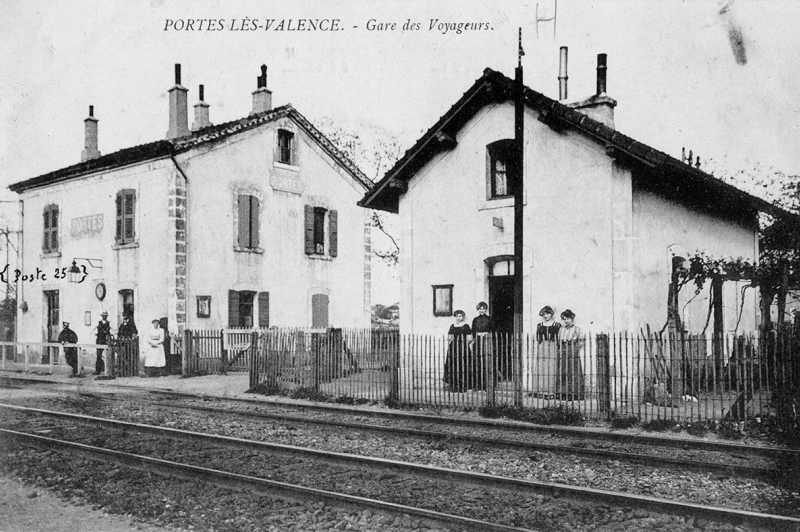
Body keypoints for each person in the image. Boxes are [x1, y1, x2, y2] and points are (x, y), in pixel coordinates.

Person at [557, 309, 586, 400]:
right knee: (563, 371)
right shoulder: (561, 329)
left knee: (573, 371)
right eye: (564, 319)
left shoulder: (576, 329)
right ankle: (563, 393)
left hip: (573, 349)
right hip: (563, 350)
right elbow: (558, 340)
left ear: (572, 319)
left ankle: (575, 394)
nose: (566, 321)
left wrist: (575, 349)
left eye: (568, 319)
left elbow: (581, 340)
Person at [535, 306, 561, 398]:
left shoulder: (556, 325)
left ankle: (551, 392)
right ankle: (541, 391)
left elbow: (559, 338)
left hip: (553, 347)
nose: (546, 316)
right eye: (544, 314)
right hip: (542, 347)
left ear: (551, 314)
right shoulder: (540, 325)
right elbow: (537, 338)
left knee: (551, 368)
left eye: (548, 313)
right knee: (542, 368)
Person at [444, 310, 472, 392]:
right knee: (454, 365)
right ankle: (454, 386)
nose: (458, 318)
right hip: (454, 347)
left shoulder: (466, 326)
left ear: (463, 317)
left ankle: (463, 386)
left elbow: (470, 338)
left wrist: (463, 344)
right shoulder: (452, 326)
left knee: (463, 364)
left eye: (460, 316)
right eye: (457, 316)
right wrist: (451, 338)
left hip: (463, 347)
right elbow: (449, 337)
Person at [470, 302, 493, 390]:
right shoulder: (475, 320)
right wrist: (473, 340)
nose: (482, 310)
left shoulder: (489, 319)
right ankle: (478, 385)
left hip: (486, 340)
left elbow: (492, 329)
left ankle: (487, 385)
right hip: (478, 340)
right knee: (478, 361)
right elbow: (473, 331)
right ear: (478, 309)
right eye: (480, 309)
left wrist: (487, 334)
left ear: (486, 309)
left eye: (483, 308)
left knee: (486, 361)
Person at [93, 311, 111, 375]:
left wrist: (109, 334)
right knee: (99, 355)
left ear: (107, 316)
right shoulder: (98, 323)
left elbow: (113, 330)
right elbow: (93, 330)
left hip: (106, 341)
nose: (104, 317)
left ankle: (107, 369)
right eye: (103, 316)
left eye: (105, 316)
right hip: (99, 340)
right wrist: (96, 334)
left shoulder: (109, 323)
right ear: (101, 316)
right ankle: (98, 370)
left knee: (107, 355)